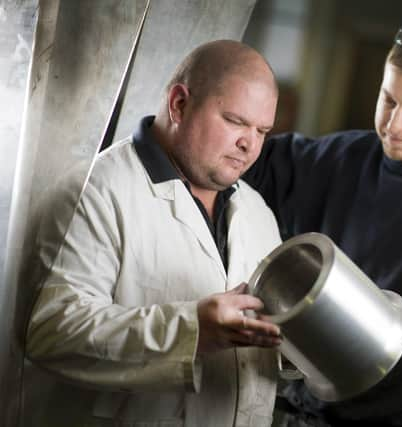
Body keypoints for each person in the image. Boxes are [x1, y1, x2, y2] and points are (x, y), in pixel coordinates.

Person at [243, 19, 402, 426]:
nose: (395, 124)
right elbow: (228, 164)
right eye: (388, 100)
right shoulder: (332, 161)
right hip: (308, 417)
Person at [25, 40, 284, 427]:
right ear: (179, 104)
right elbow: (52, 333)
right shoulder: (97, 193)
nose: (249, 145)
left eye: (262, 130)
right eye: (235, 121)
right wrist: (193, 330)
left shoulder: (256, 211)